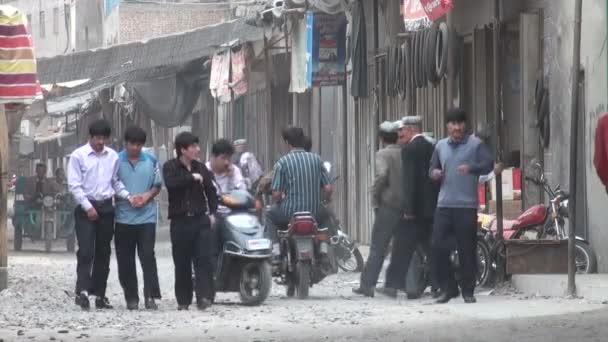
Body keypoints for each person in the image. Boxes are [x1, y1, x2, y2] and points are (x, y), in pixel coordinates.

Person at [429, 108, 494, 304]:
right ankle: (449, 287)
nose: (456, 127)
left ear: (465, 125)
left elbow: (489, 164)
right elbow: (431, 168)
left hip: (466, 206)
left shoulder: (476, 145)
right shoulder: (440, 146)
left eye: (460, 123)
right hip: (444, 205)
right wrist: (434, 174)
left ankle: (468, 290)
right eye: (453, 124)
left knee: (467, 249)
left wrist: (472, 168)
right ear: (447, 126)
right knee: (437, 246)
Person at [67, 119, 133, 310]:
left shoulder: (113, 157)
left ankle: (100, 295)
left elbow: (115, 182)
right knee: (86, 250)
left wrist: (128, 196)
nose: (100, 142)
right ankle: (83, 291)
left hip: (106, 208)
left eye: (104, 138)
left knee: (103, 251)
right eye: (97, 138)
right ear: (90, 137)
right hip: (85, 208)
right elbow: (74, 185)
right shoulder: (78, 156)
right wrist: (88, 207)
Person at [380, 116, 440, 298]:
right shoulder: (432, 147)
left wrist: (408, 210)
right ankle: (439, 284)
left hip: (414, 211)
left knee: (401, 248)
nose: (399, 135)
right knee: (431, 249)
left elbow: (410, 182)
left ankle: (392, 285)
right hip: (430, 208)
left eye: (402, 130)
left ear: (412, 129)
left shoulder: (409, 150)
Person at [162, 132, 218, 311]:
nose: (197, 149)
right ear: (183, 150)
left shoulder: (202, 168)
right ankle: (183, 300)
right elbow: (171, 184)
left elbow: (211, 192)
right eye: (193, 146)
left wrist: (213, 213)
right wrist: (191, 178)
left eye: (197, 145)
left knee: (203, 260)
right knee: (182, 262)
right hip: (180, 222)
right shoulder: (170, 167)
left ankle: (204, 297)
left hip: (200, 219)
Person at [114, 126, 162, 311]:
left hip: (146, 218)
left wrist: (146, 196)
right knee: (125, 259)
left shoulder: (151, 160)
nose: (135, 148)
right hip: (123, 217)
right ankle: (131, 297)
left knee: (148, 256)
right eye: (132, 144)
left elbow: (157, 185)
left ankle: (150, 295)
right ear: (126, 143)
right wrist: (129, 197)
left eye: (139, 144)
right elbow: (112, 183)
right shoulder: (116, 161)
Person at [353, 121, 403, 298]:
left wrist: (374, 194)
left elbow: (382, 175)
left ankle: (367, 285)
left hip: (388, 207)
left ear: (380, 138)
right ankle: (397, 286)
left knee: (378, 247)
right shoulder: (404, 152)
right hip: (405, 208)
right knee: (402, 247)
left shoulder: (382, 154)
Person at [266, 127, 331, 243]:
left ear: (287, 142)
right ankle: (324, 247)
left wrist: (279, 201)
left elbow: (276, 194)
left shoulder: (282, 163)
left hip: (289, 213)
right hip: (314, 212)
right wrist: (324, 201)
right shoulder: (317, 159)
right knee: (326, 215)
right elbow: (328, 188)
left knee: (269, 215)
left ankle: (275, 249)